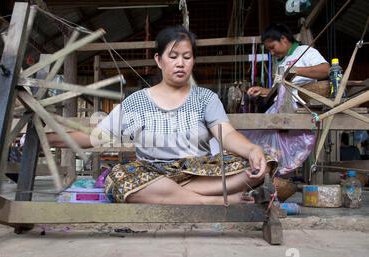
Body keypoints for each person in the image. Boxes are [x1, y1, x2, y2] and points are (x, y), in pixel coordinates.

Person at [48, 26, 276, 205]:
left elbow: (226, 135)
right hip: (152, 172)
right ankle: (215, 202)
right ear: (159, 60)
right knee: (119, 177)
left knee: (263, 162)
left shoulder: (205, 98)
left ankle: (176, 196)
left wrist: (253, 150)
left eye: (187, 57)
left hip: (199, 173)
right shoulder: (136, 102)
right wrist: (46, 139)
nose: (180, 63)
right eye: (173, 56)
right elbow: (94, 137)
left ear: (193, 60)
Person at [248, 23, 330, 105]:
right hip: (282, 105)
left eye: (272, 47)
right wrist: (262, 90)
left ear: (284, 38)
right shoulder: (281, 61)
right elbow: (280, 91)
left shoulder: (305, 51)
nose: (272, 53)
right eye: (269, 50)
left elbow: (326, 70)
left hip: (302, 104)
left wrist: (295, 70)